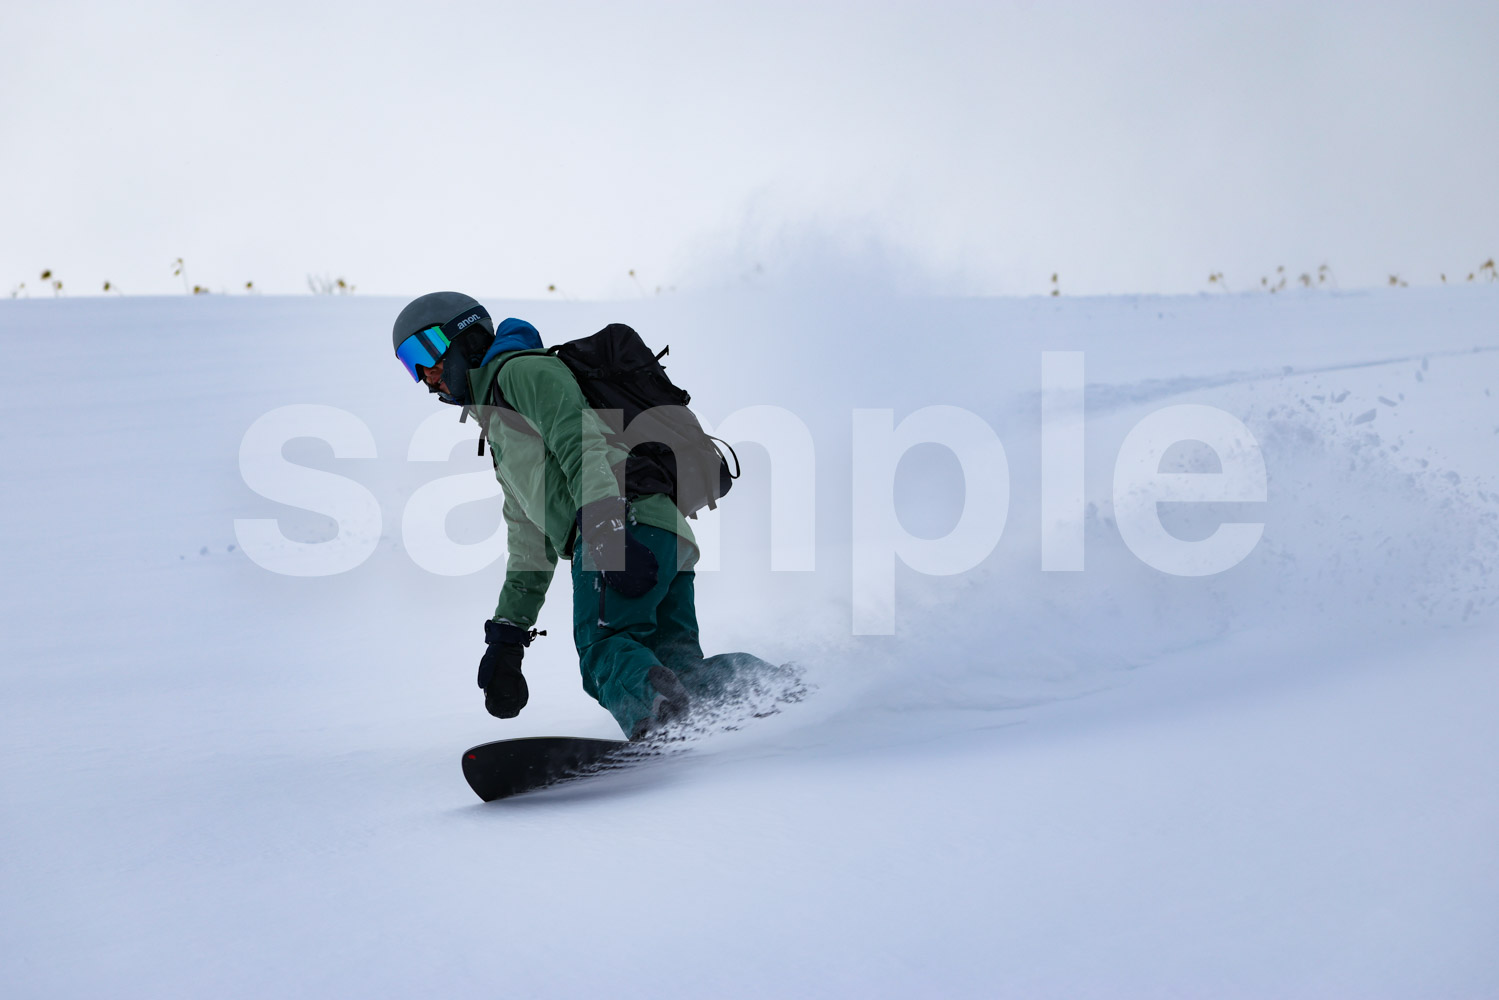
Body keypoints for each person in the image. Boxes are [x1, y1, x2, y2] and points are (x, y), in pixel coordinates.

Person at [391, 291, 779, 739]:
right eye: (410, 366)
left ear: (466, 336)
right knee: (677, 669)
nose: (426, 376)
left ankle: (664, 729)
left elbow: (582, 443)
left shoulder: (523, 372)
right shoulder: (499, 428)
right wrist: (507, 636)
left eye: (425, 352)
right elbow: (528, 541)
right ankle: (774, 690)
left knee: (604, 651)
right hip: (656, 532)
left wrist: (607, 531)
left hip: (621, 525)